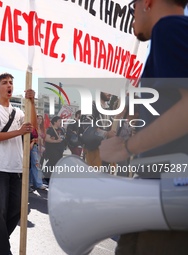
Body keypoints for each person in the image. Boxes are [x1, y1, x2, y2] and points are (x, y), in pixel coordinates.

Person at [99, 0, 188, 254]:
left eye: (132, 5)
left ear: (147, 2)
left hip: (167, 200)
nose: (132, 14)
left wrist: (124, 147)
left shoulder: (168, 28)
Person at [0, 72, 36, 255]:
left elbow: (33, 129)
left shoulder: (19, 112)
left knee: (17, 209)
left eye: (11, 83)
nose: (9, 85)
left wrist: (32, 103)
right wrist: (19, 131)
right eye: (5, 83)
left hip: (17, 166)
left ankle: (0, 242)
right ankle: (2, 251)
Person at [81, 92, 115, 167]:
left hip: (107, 150)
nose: (110, 93)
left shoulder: (109, 109)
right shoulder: (90, 106)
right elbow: (86, 126)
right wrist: (106, 133)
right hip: (94, 150)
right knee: (95, 176)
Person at [43, 116, 66, 183]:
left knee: (58, 165)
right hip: (52, 151)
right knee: (53, 165)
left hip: (60, 150)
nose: (60, 122)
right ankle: (48, 179)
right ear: (55, 122)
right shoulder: (50, 130)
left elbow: (63, 138)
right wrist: (56, 141)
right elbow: (47, 139)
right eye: (59, 121)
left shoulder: (61, 130)